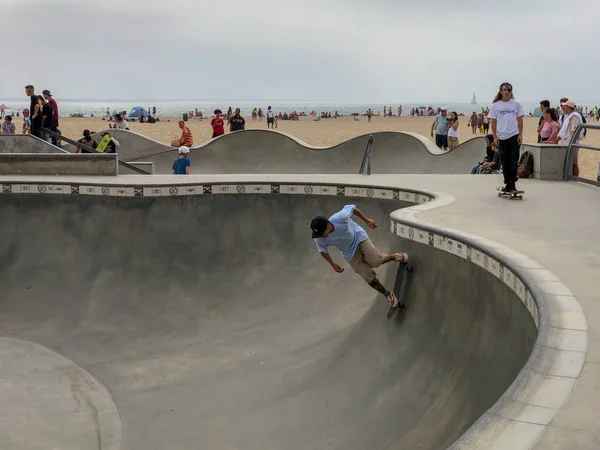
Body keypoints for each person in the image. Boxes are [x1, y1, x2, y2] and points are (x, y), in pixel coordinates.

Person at [311, 205, 409, 307]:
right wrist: (332, 264)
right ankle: (387, 294)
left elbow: (352, 208)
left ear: (328, 225)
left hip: (359, 237)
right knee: (367, 276)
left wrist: (367, 220)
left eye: (323, 233)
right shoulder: (319, 239)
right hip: (349, 253)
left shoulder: (339, 217)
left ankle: (395, 256)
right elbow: (323, 251)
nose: (322, 236)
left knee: (376, 261)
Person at [488, 82, 524, 193]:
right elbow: (493, 122)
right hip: (501, 137)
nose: (507, 91)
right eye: (504, 89)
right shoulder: (495, 106)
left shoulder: (516, 104)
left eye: (509, 89)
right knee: (505, 161)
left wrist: (521, 134)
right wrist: (494, 137)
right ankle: (507, 183)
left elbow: (520, 119)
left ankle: (512, 184)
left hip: (514, 135)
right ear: (500, 91)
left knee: (513, 161)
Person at [556, 99, 583, 176]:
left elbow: (574, 131)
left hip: (572, 143)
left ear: (568, 107)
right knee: (568, 162)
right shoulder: (568, 116)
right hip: (567, 142)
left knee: (574, 163)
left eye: (565, 106)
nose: (563, 108)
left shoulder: (574, 117)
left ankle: (575, 179)